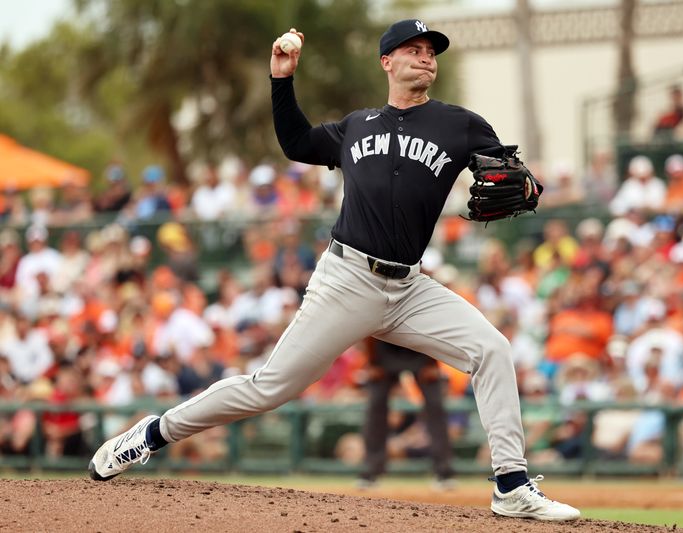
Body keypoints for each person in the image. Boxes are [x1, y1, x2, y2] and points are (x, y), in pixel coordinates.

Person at [88, 19, 580, 522]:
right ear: (387, 61)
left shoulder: (460, 124)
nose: (426, 57)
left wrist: (528, 190)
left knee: (491, 349)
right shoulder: (356, 126)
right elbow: (297, 143)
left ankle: (512, 485)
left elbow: (514, 179)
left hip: (410, 288)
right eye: (413, 49)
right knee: (269, 387)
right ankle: (151, 434)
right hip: (347, 279)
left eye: (431, 50)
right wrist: (282, 80)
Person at [358, 339, 454, 489]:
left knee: (436, 405)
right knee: (375, 404)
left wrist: (432, 363)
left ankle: (444, 472)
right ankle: (371, 471)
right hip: (385, 347)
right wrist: (373, 363)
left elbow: (431, 326)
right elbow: (369, 331)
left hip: (421, 348)